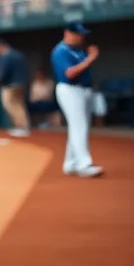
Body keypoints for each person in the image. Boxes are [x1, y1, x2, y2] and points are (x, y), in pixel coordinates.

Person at [50, 22, 104, 177]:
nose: (81, 37)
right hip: (70, 89)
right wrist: (91, 58)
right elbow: (69, 73)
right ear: (68, 33)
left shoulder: (78, 50)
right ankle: (84, 164)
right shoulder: (60, 51)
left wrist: (88, 57)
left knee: (79, 126)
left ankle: (71, 163)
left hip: (83, 90)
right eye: (78, 34)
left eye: (82, 34)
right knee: (79, 126)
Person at [0, 38, 30, 137]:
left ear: (0, 47)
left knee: (11, 105)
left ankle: (21, 127)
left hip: (11, 85)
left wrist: (0, 81)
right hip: (22, 83)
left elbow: (3, 74)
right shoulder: (19, 55)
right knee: (19, 105)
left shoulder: (5, 57)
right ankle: (23, 126)